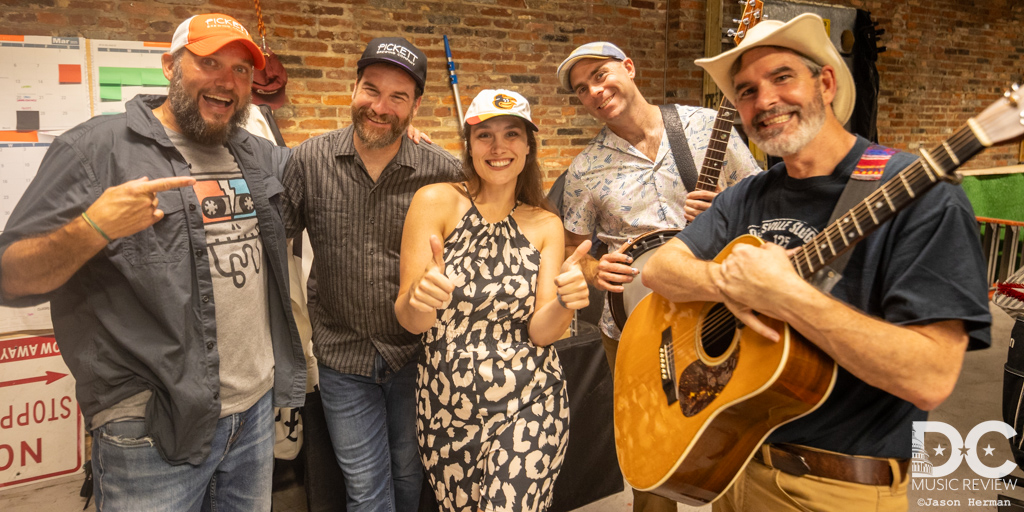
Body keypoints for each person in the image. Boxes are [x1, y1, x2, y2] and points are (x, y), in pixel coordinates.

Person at [642, 14, 991, 511]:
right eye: (746, 91)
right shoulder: (748, 195)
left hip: (835, 488)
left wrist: (787, 294)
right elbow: (659, 269)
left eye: (782, 77)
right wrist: (729, 282)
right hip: (731, 463)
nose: (764, 101)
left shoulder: (918, 192)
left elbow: (929, 378)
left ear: (825, 82)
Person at [0, 13, 306, 511]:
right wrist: (93, 227)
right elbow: (10, 277)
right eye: (208, 62)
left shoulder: (256, 155)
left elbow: (331, 164)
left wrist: (404, 141)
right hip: (149, 422)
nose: (227, 81)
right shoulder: (95, 149)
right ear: (170, 65)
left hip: (251, 415)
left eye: (242, 70)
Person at [556, 41, 762, 511]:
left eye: (601, 75)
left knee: (735, 428)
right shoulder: (585, 169)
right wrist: (593, 267)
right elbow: (573, 251)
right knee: (648, 438)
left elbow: (763, 203)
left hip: (720, 310)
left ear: (629, 67)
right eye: (582, 89)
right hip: (633, 327)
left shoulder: (707, 128)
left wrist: (725, 209)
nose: (595, 91)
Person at [280, 37, 463, 511]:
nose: (380, 107)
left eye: (398, 97)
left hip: (415, 356)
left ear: (416, 106)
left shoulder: (441, 170)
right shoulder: (309, 161)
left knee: (407, 473)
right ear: (354, 88)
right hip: (343, 355)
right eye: (371, 89)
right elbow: (272, 238)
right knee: (364, 486)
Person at [395, 89, 590, 512]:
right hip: (447, 405)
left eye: (512, 134)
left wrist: (565, 302)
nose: (499, 147)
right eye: (485, 135)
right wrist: (420, 297)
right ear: (468, 145)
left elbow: (542, 332)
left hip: (530, 400)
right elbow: (412, 321)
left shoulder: (545, 224)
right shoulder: (436, 201)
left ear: (529, 146)